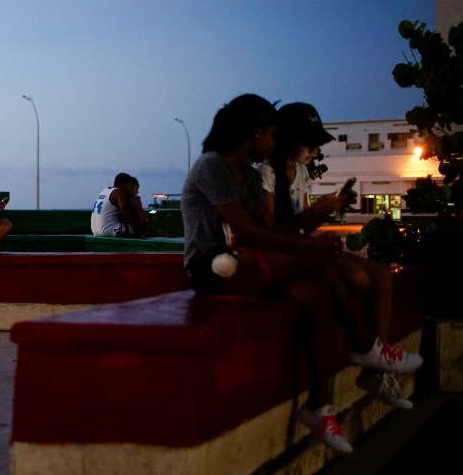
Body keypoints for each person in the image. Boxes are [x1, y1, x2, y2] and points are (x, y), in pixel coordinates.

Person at [181, 94, 421, 454]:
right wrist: (311, 247)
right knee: (318, 262)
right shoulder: (213, 165)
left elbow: (270, 231)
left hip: (246, 261)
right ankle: (364, 346)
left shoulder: (244, 172)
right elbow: (244, 229)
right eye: (271, 135)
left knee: (317, 296)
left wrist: (310, 236)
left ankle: (318, 407)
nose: (274, 143)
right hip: (212, 268)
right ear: (254, 131)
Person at [259, 102, 410, 410]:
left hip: (303, 246)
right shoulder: (265, 174)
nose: (315, 149)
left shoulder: (300, 170)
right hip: (286, 256)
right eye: (308, 141)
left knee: (380, 275)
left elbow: (303, 225)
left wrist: (330, 208)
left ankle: (375, 370)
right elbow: (271, 232)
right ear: (286, 138)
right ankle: (364, 355)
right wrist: (318, 211)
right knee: (357, 277)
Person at [90, 173, 149, 237]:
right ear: (123, 184)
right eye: (129, 184)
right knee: (136, 200)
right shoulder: (119, 193)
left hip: (95, 230)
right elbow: (128, 214)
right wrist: (140, 231)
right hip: (108, 230)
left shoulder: (105, 190)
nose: (130, 187)